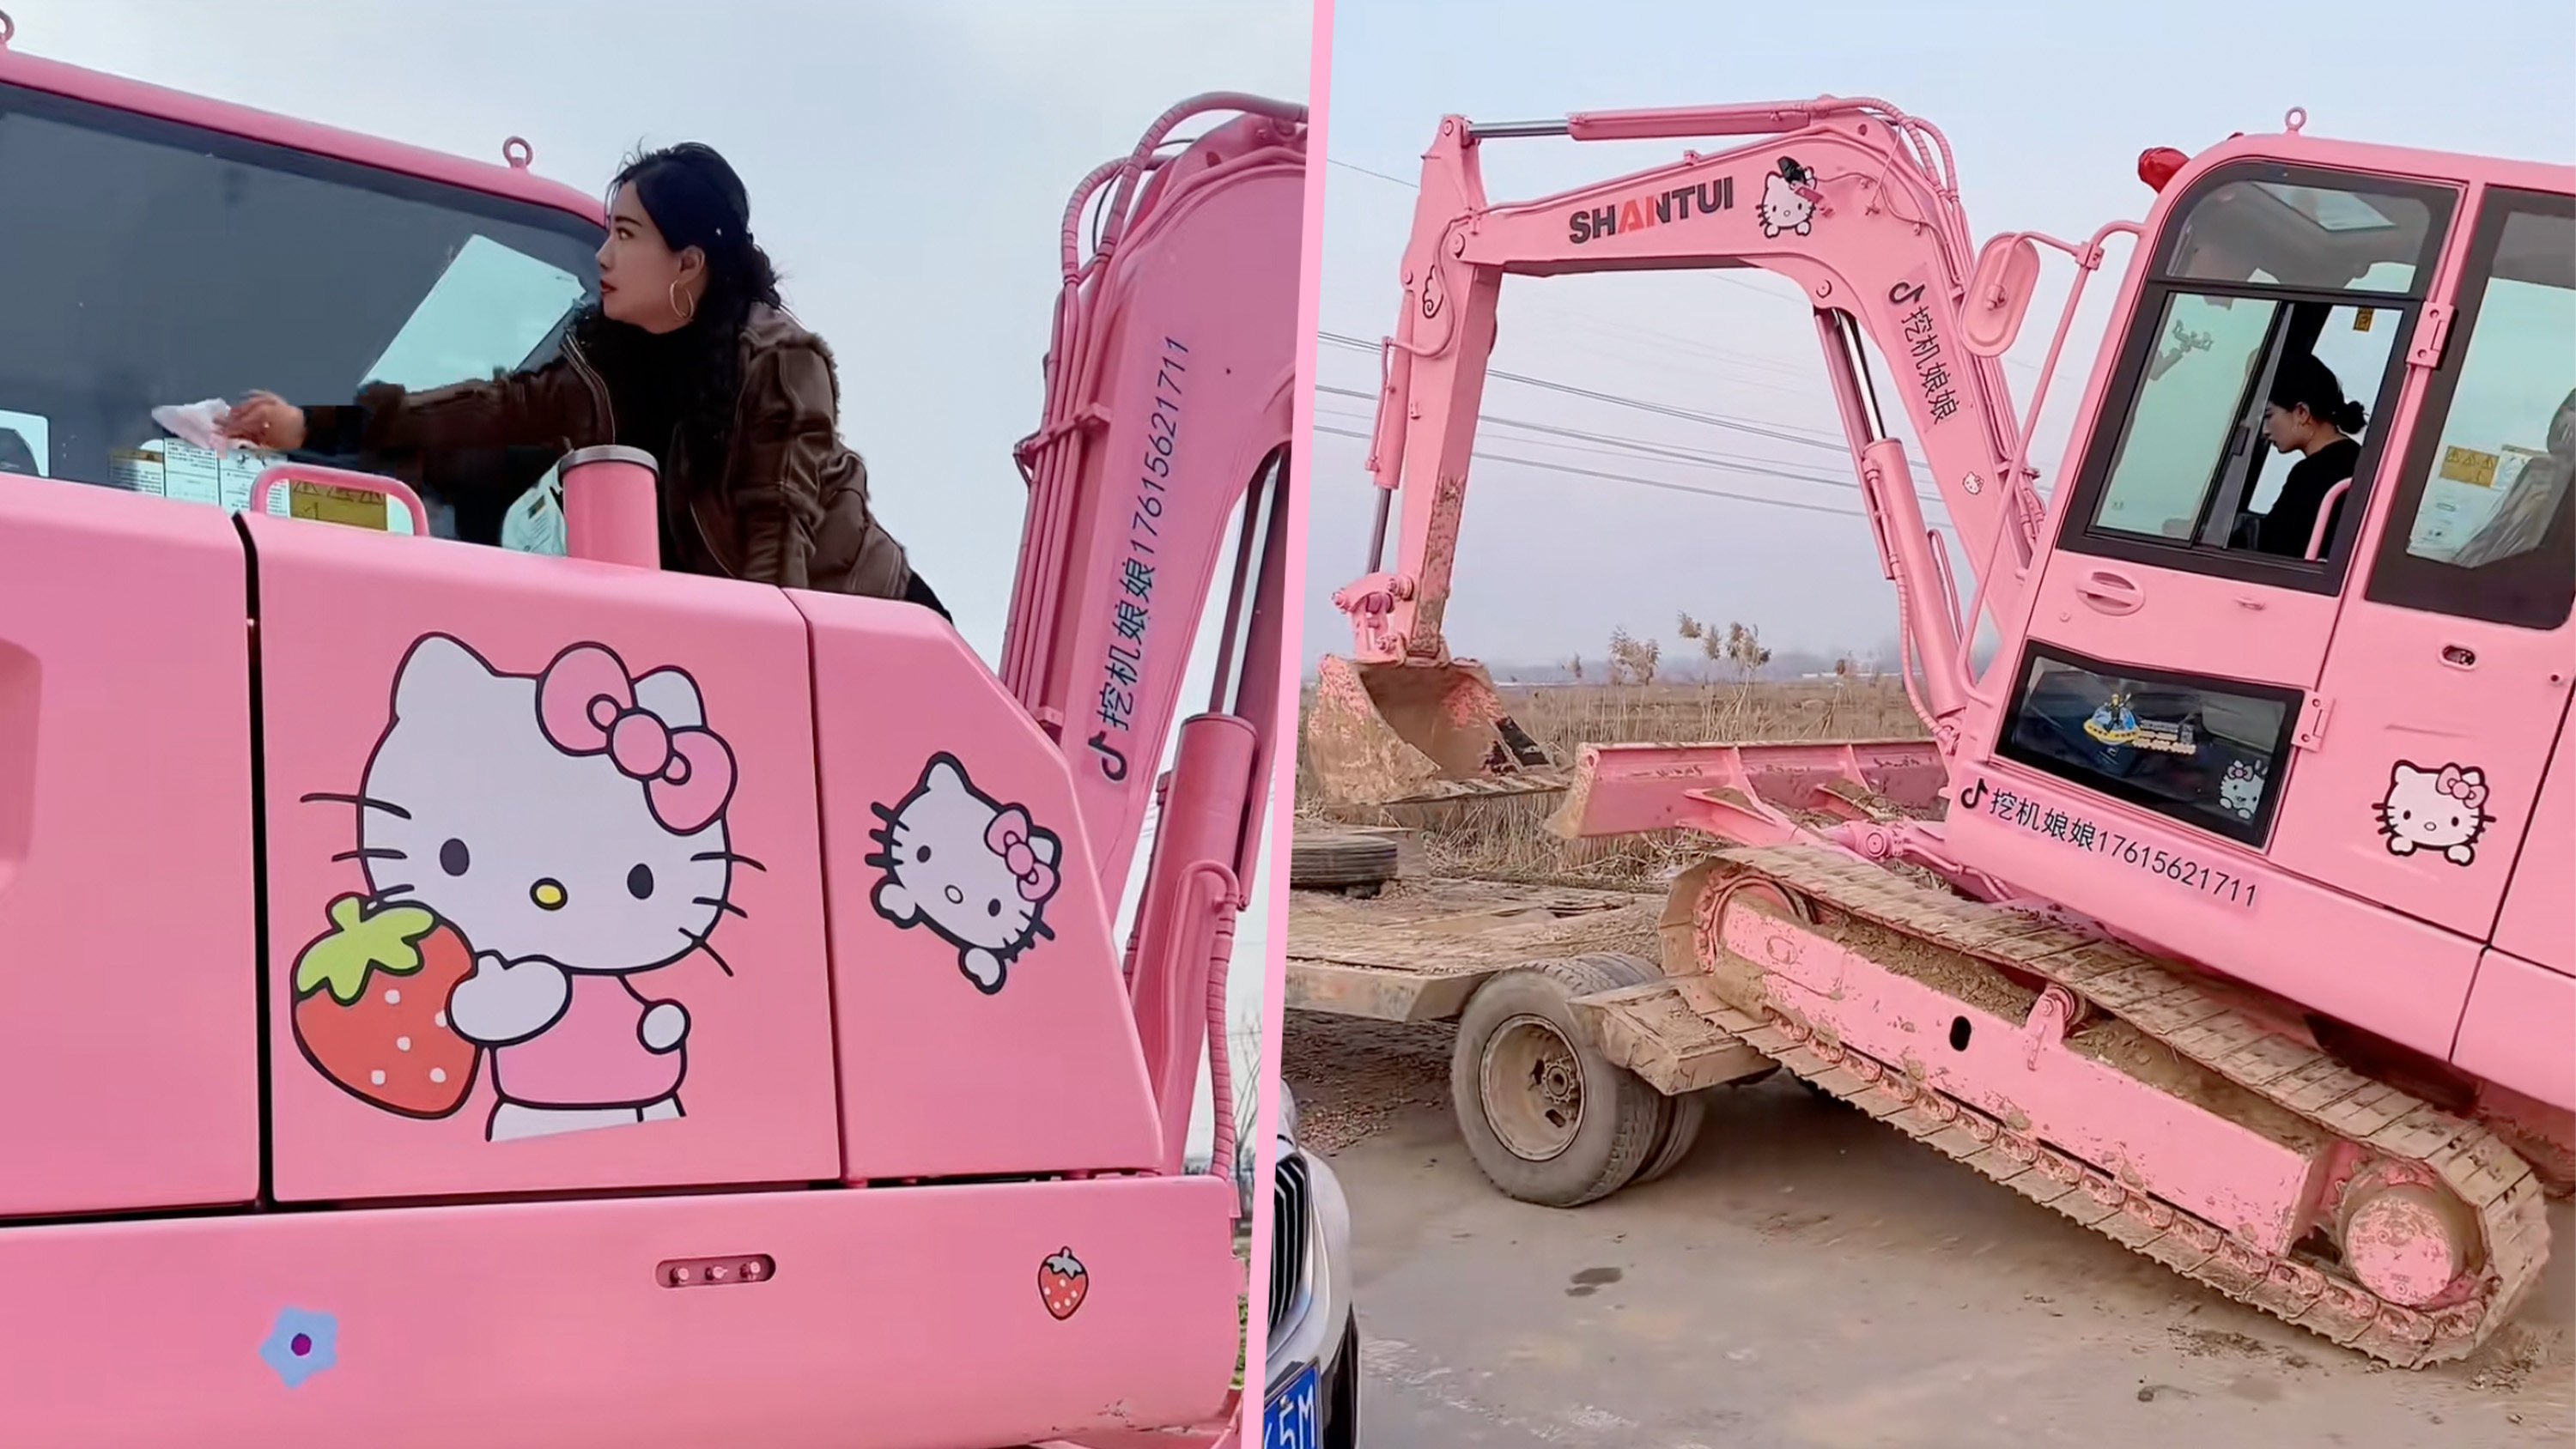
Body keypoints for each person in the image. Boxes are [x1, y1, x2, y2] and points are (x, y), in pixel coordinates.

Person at [222, 143, 946, 620]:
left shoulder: (779, 362)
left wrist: (743, 682)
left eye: (626, 236)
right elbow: (477, 413)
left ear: (687, 263)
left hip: (877, 632)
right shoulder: (608, 368)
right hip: (776, 642)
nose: (603, 254)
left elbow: (775, 556)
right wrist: (307, 427)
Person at [2251, 354, 2366, 558]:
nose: (2265, 430)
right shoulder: (2357, 459)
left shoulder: (2311, 475)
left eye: (2269, 415)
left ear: (2302, 412)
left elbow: (2272, 547)